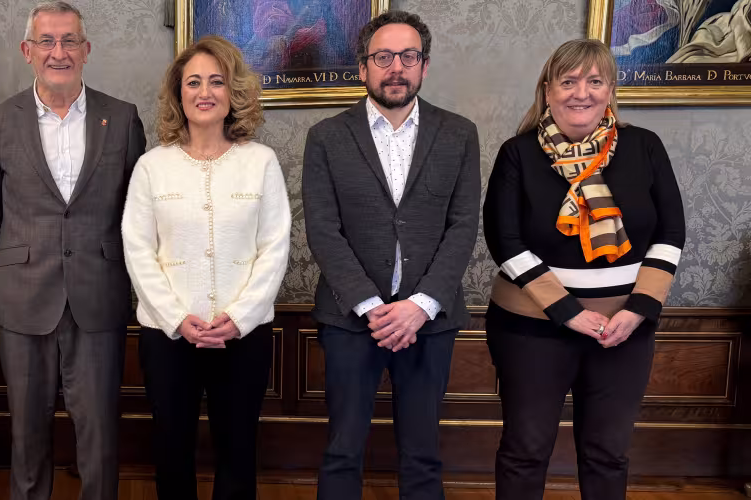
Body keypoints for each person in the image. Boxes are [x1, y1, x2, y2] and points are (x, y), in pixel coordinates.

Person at [484, 38, 685, 500]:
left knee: (607, 454)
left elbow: (671, 232)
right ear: (548, 91)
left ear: (610, 90)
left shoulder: (645, 147)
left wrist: (638, 309)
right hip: (531, 329)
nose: (582, 93)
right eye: (568, 81)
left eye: (595, 81)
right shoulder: (518, 153)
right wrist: (569, 312)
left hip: (623, 331)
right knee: (525, 451)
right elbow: (505, 242)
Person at [301, 10, 480, 500]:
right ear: (363, 67)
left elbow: (463, 226)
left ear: (425, 65)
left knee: (422, 455)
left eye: (408, 56)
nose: (396, 67)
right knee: (342, 451)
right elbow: (323, 230)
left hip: (429, 320)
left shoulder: (459, 134)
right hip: (350, 319)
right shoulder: (326, 137)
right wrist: (371, 307)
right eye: (383, 57)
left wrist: (419, 306)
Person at [0, 1, 146, 498]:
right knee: (27, 436)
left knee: (99, 436)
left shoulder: (122, 118)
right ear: (27, 50)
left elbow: (135, 209)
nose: (59, 51)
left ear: (86, 49)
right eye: (46, 41)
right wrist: (28, 253)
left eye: (70, 40)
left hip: (99, 296)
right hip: (23, 299)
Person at [122, 35, 290, 500]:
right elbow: (138, 249)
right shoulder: (152, 166)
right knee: (172, 449)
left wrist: (240, 317)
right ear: (178, 94)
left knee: (237, 451)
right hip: (168, 336)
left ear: (233, 92)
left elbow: (275, 247)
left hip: (243, 335)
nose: (205, 92)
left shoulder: (261, 161)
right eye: (193, 82)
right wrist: (178, 318)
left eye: (217, 81)